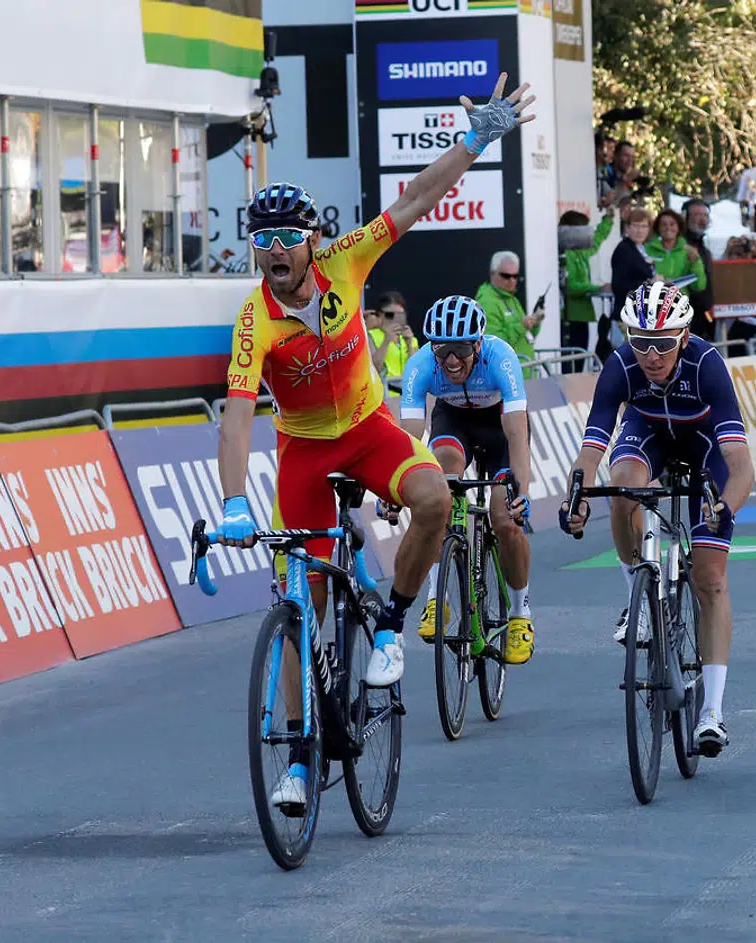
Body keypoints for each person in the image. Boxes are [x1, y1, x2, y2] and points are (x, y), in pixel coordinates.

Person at [219, 73, 535, 813]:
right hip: (303, 453)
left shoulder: (346, 262)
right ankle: (298, 761)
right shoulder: (252, 318)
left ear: (312, 242)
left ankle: (391, 623)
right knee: (301, 608)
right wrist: (235, 499)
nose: (273, 250)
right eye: (261, 239)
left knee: (434, 499)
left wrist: (474, 141)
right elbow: (236, 417)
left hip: (369, 430)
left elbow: (416, 198)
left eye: (286, 238)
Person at [559, 279, 756, 756]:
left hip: (703, 442)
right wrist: (577, 495)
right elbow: (591, 450)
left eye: (662, 344)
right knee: (622, 483)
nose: (650, 355)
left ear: (683, 337)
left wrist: (724, 506)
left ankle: (711, 712)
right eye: (640, 341)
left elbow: (741, 465)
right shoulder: (621, 365)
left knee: (710, 580)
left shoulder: (707, 365)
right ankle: (637, 593)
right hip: (647, 432)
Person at [396, 296, 537, 663]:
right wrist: (393, 490)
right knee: (436, 487)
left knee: (504, 518)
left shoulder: (501, 357)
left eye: (460, 349)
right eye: (442, 351)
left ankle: (521, 613)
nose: (451, 361)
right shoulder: (421, 365)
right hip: (453, 424)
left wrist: (521, 491)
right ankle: (435, 600)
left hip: (500, 429)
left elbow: (518, 435)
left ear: (477, 344)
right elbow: (410, 439)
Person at [559, 209, 616, 371]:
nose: (587, 234)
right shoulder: (565, 254)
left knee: (579, 362)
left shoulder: (581, 250)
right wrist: (598, 287)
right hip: (569, 319)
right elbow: (570, 286)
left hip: (581, 316)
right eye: (584, 229)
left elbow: (598, 238)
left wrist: (609, 218)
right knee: (571, 367)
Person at [476, 250, 542, 378]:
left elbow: (526, 336)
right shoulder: (487, 303)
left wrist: (535, 323)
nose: (512, 280)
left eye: (515, 276)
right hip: (508, 380)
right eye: (506, 276)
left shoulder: (512, 299)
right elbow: (492, 343)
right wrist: (521, 326)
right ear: (492, 274)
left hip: (526, 375)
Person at [607, 207, 657, 362]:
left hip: (640, 315)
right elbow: (620, 285)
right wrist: (650, 283)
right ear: (627, 227)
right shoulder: (624, 250)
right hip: (627, 317)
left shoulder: (640, 249)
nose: (640, 230)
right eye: (635, 226)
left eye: (644, 226)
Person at [646, 208, 706, 292]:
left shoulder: (688, 251)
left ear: (678, 227)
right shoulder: (647, 250)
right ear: (658, 228)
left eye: (672, 224)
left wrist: (696, 262)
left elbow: (699, 286)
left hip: (679, 302)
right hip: (654, 301)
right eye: (663, 224)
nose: (668, 228)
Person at [364, 291, 419, 380]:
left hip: (406, 392)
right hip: (385, 392)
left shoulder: (410, 338)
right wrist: (387, 340)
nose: (395, 319)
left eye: (400, 315)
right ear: (380, 315)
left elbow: (416, 371)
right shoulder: (370, 336)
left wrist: (409, 345)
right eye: (390, 315)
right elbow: (374, 370)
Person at [682, 199, 717, 340]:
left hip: (705, 316)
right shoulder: (681, 246)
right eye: (697, 215)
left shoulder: (704, 248)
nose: (702, 219)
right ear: (685, 217)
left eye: (704, 215)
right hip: (687, 316)